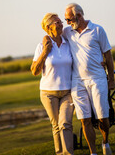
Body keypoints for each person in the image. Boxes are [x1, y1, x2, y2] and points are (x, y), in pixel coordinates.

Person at [63, 3, 115, 155]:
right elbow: (54, 33)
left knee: (102, 117)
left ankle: (105, 142)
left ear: (79, 16)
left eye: (69, 19)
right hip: (77, 82)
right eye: (65, 20)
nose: (67, 22)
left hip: (97, 79)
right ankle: (93, 153)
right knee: (84, 119)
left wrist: (111, 79)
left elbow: (108, 56)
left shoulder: (98, 30)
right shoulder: (68, 32)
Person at [31, 13, 74, 155]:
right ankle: (59, 153)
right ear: (48, 27)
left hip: (68, 91)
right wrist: (45, 52)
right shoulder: (41, 46)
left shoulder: (68, 41)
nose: (61, 24)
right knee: (56, 126)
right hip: (48, 93)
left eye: (61, 21)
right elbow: (34, 71)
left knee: (66, 123)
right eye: (57, 22)